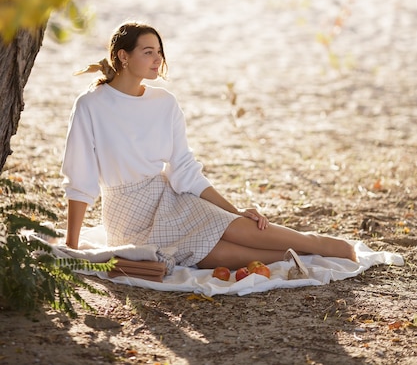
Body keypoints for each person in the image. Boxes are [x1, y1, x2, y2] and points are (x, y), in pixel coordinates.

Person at [62, 21, 357, 272]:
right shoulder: (91, 105)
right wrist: (71, 247)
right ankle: (302, 259)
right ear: (123, 57)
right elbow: (80, 179)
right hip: (127, 217)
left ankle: (317, 245)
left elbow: (184, 169)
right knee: (222, 255)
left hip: (169, 199)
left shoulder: (164, 103)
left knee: (240, 230)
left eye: (159, 52)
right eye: (147, 52)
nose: (157, 59)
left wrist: (234, 211)